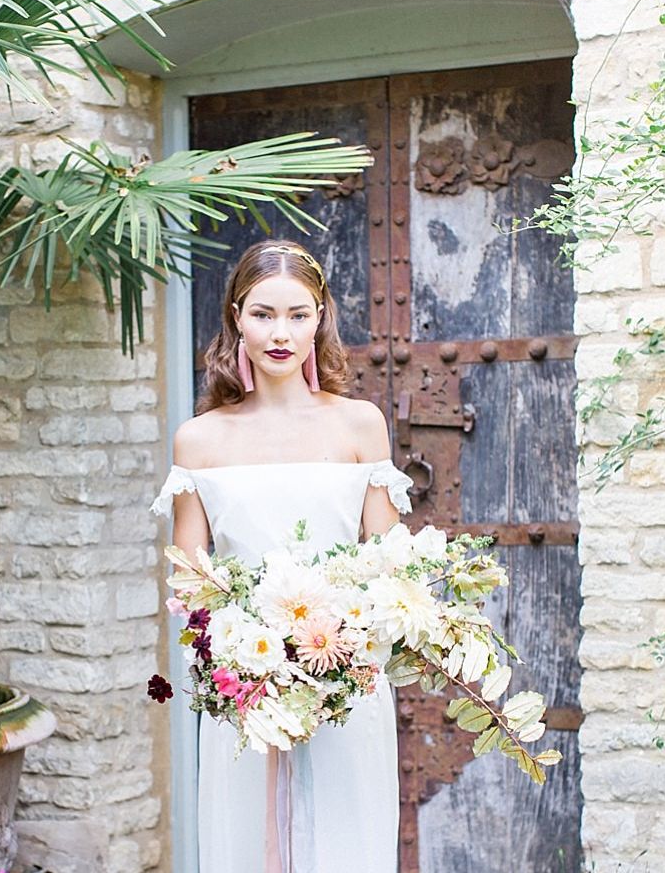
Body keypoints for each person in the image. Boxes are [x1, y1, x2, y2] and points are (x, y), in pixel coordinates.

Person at [151, 239, 413, 873]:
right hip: (246, 685)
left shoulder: (359, 424)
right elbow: (191, 581)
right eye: (263, 314)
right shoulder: (201, 439)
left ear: (319, 317)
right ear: (237, 316)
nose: (280, 333)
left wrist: (337, 648)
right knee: (243, 844)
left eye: (298, 314)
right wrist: (245, 655)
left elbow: (390, 566)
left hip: (346, 676)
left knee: (346, 840)